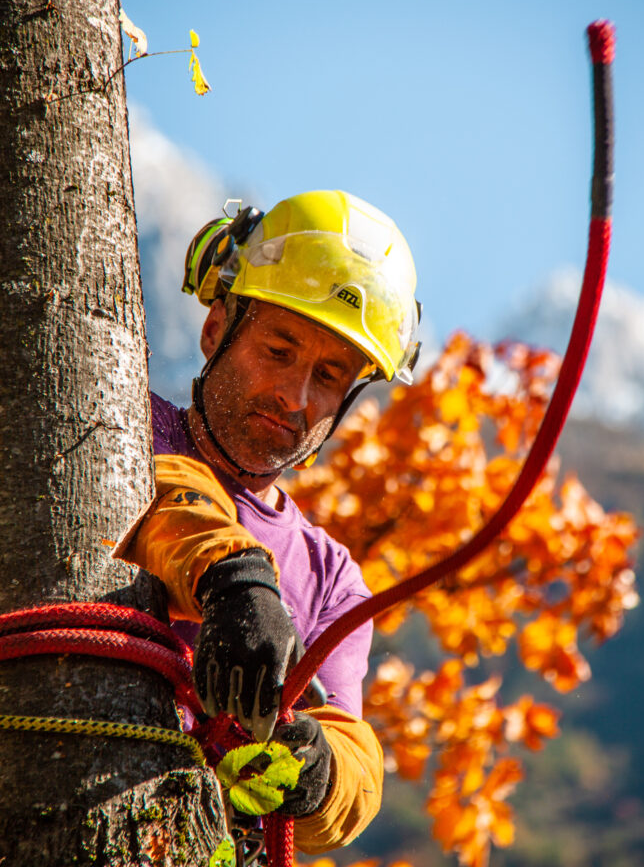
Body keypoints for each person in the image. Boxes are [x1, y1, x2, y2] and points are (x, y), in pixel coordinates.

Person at [114, 189, 420, 853]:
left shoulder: (331, 577)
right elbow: (161, 488)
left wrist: (319, 770)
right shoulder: (124, 428)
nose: (294, 396)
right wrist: (235, 576)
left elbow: (351, 759)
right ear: (215, 329)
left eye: (329, 375)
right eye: (278, 351)